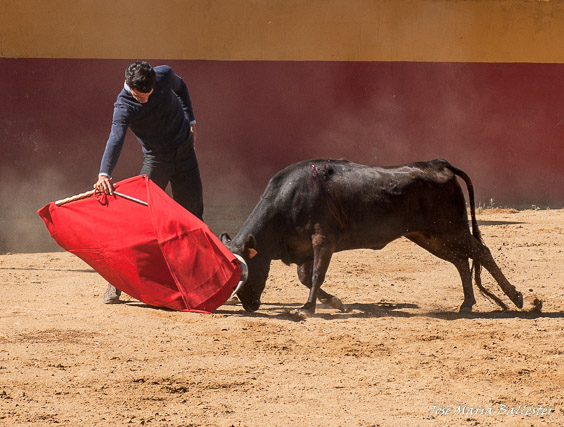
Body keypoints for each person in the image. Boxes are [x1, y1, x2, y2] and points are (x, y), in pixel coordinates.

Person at [94, 61, 204, 304]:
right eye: (138, 96)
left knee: (194, 217)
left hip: (186, 153)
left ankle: (203, 281)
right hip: (158, 159)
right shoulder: (123, 107)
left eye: (148, 95)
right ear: (128, 86)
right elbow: (116, 139)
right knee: (138, 220)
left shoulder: (163, 75)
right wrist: (104, 173)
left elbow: (182, 86)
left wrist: (191, 118)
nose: (143, 100)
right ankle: (116, 281)